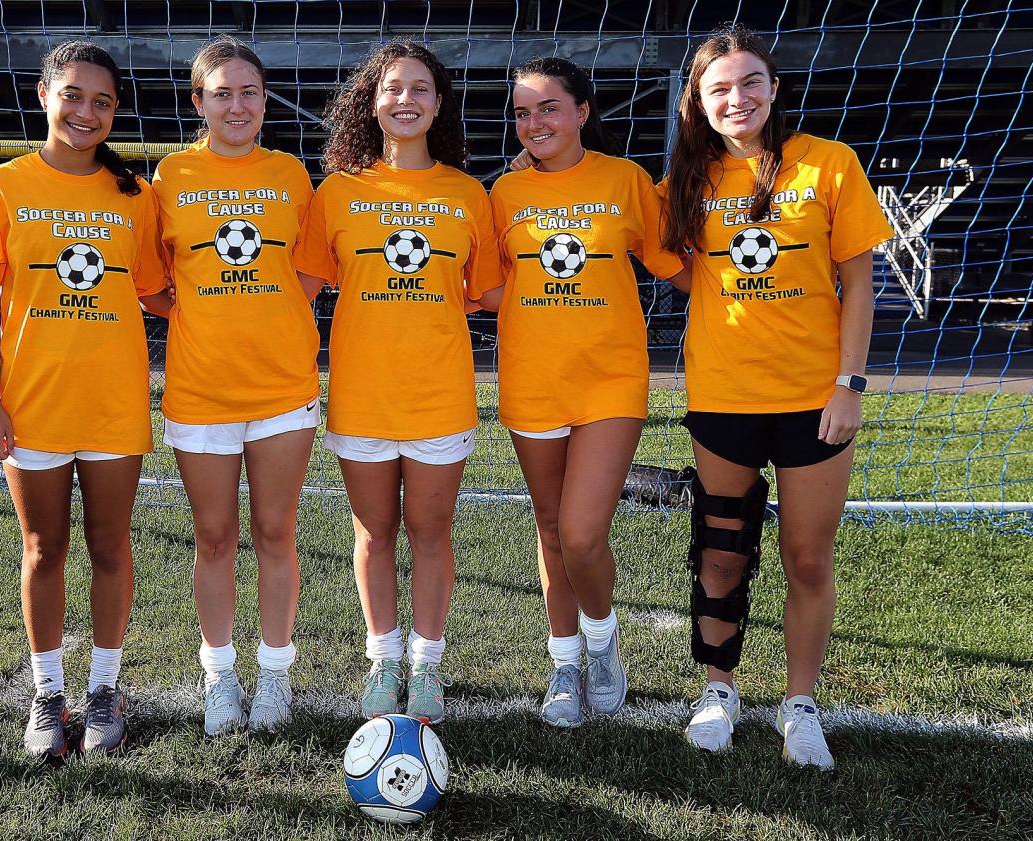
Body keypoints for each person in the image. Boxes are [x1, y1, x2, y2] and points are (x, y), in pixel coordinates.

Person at [662, 24, 893, 768]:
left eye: (750, 81)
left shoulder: (827, 165)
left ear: (775, 87)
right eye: (719, 87)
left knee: (806, 557)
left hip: (815, 398)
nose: (738, 97)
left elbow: (857, 283)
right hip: (725, 396)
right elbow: (671, 265)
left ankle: (800, 705)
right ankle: (718, 691)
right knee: (721, 550)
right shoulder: (686, 180)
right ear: (697, 100)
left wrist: (849, 385)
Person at [0, 41, 167, 760]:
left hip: (113, 404)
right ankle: (49, 694)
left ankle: (106, 689)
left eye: (102, 101)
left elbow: (158, 292)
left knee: (110, 545)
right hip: (33, 404)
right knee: (43, 547)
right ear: (43, 95)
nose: (86, 112)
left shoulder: (133, 196)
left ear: (114, 111)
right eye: (73, 95)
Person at [293, 41, 500, 724]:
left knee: (430, 531)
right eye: (392, 88)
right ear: (371, 102)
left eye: (420, 88)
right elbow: (301, 291)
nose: (405, 99)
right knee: (375, 534)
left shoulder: (468, 193)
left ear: (439, 104)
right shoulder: (338, 192)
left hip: (440, 395)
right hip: (362, 397)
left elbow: (485, 292)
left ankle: (428, 663)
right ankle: (384, 658)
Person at [483, 58, 685, 727]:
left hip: (610, 380)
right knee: (550, 528)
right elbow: (484, 284)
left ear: (581, 112)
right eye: (523, 112)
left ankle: (602, 642)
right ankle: (564, 660)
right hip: (532, 378)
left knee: (581, 532)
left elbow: (677, 266)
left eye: (548, 107)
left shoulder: (625, 182)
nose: (534, 122)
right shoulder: (502, 196)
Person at [149, 36, 317, 734]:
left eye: (250, 91)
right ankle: (219, 677)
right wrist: (204, 316)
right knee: (213, 537)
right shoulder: (169, 176)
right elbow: (154, 280)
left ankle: (274, 676)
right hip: (201, 391)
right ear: (199, 101)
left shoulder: (292, 175)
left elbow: (307, 274)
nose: (238, 104)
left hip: (283, 390)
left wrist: (268, 314)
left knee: (276, 532)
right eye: (222, 92)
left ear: (265, 99)